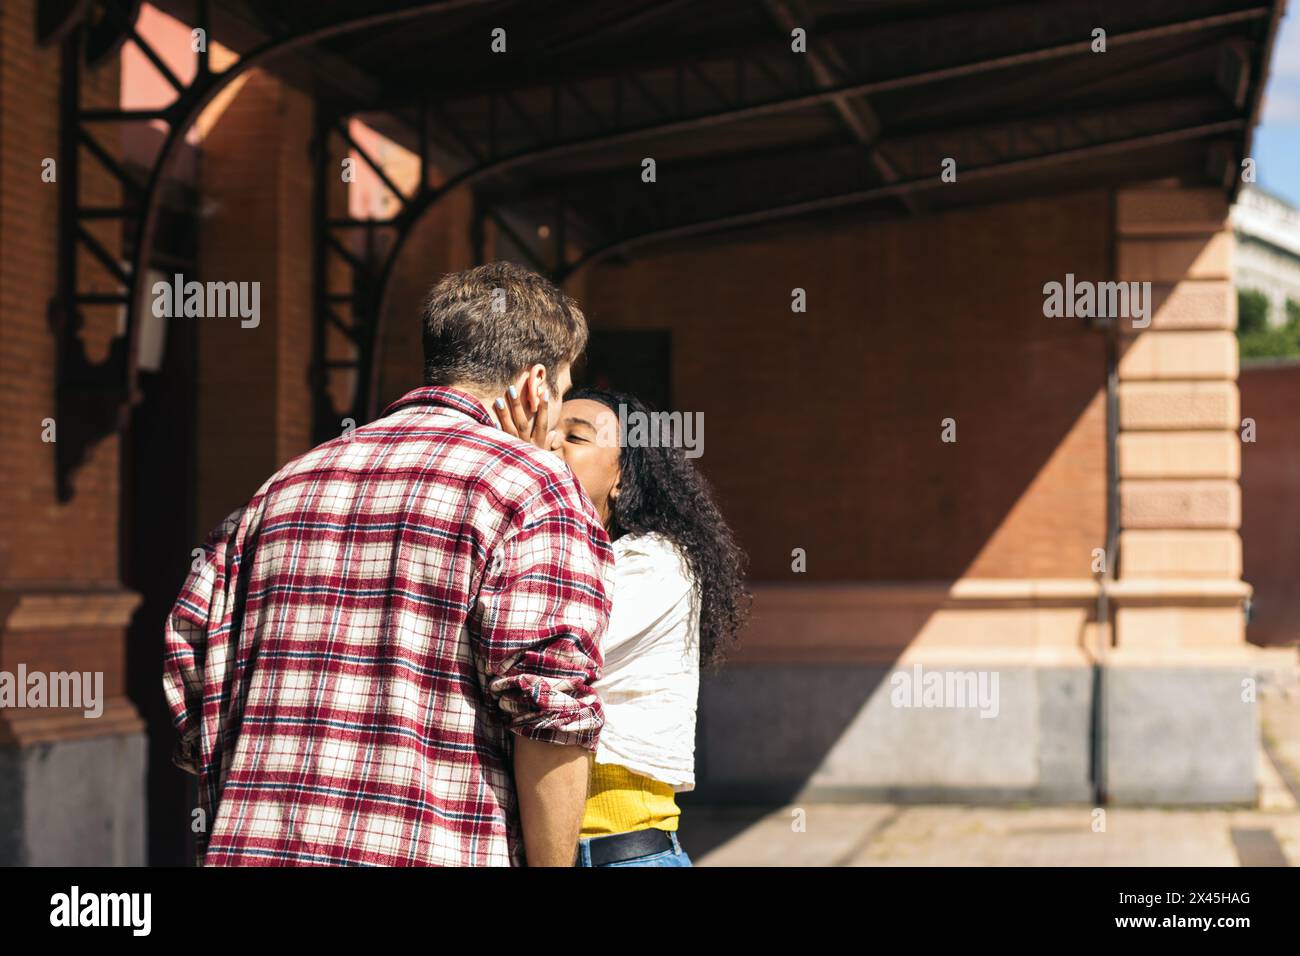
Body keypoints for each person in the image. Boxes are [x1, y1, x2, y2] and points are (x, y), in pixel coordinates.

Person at [162, 262, 613, 867]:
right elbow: (549, 708)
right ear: (535, 386)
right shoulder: (532, 487)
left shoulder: (285, 483)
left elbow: (190, 658)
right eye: (559, 393)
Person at [495, 385, 749, 866]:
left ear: (622, 479)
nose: (549, 445)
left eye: (576, 437)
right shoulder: (538, 555)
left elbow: (554, 637)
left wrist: (525, 467)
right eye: (546, 433)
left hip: (622, 855)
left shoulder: (659, 563)